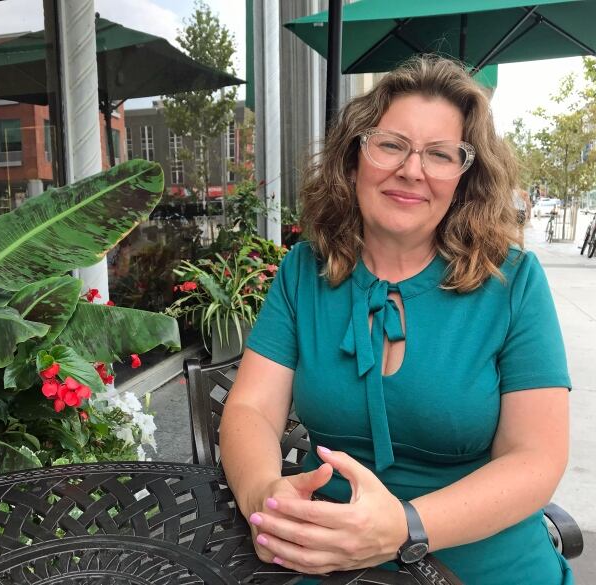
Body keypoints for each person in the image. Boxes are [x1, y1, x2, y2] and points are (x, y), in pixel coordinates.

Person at [219, 55, 572, 585]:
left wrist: (404, 525)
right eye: (391, 144)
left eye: (439, 154)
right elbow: (250, 408)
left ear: (464, 175)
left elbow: (537, 458)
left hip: (482, 561)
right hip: (328, 557)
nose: (412, 170)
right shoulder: (303, 272)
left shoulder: (513, 282)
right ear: (355, 154)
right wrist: (263, 494)